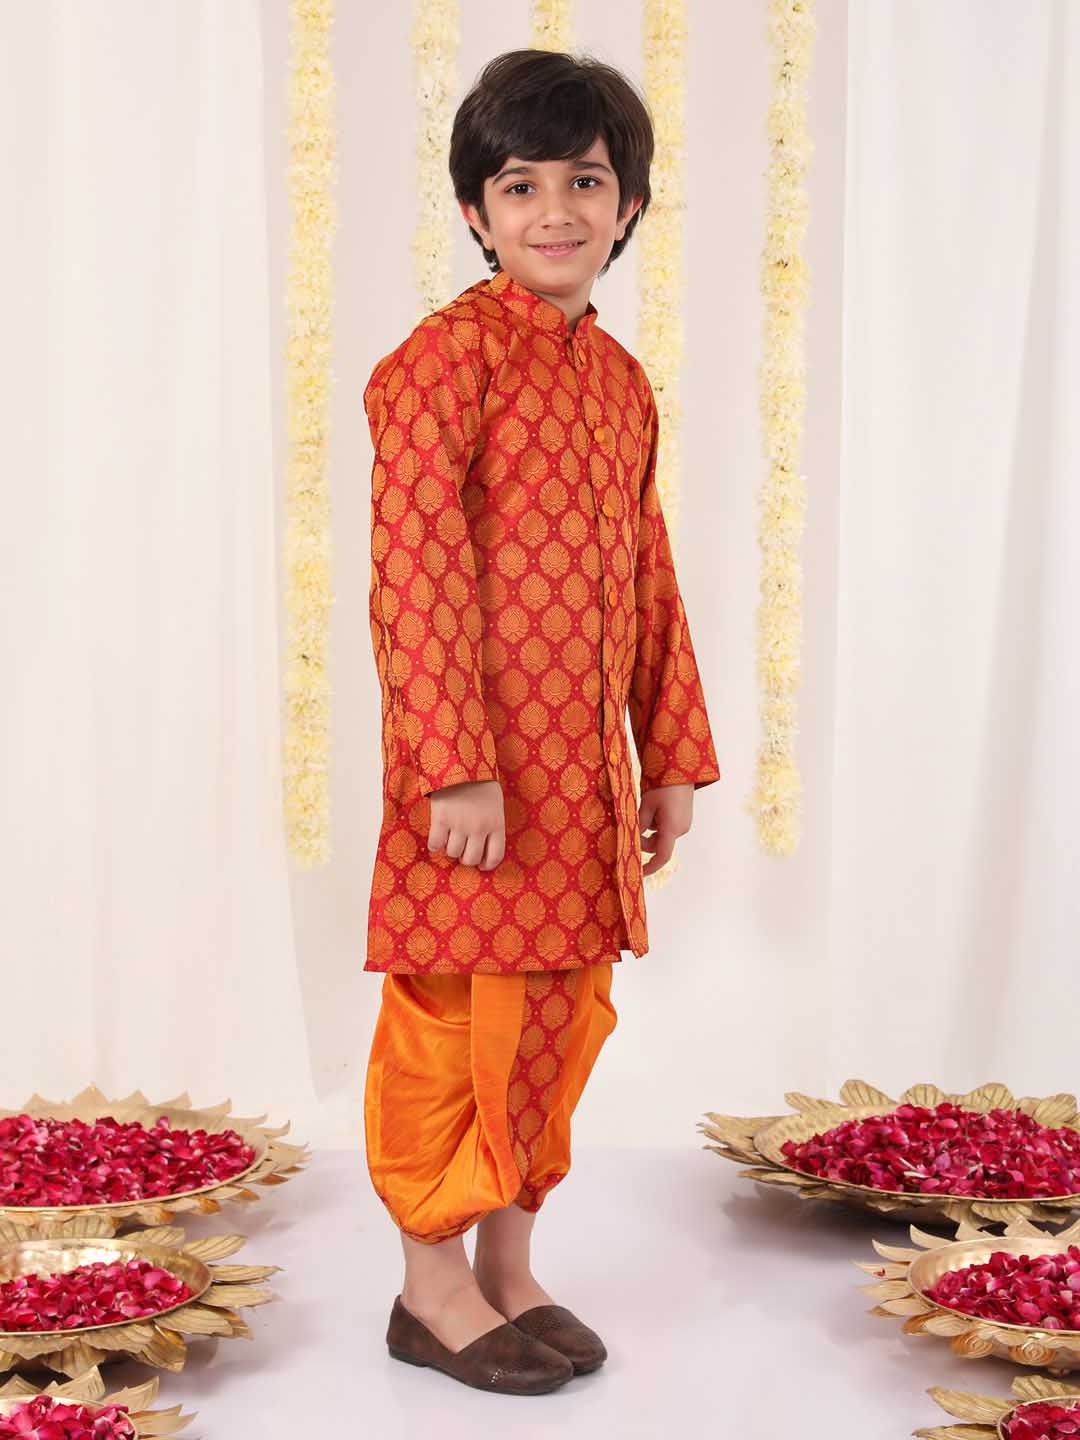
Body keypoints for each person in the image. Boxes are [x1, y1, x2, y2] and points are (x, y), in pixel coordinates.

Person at [361, 48, 721, 1396]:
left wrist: (668, 756)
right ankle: (430, 1288)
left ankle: (508, 1270)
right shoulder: (440, 364)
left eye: (586, 181)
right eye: (521, 185)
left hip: (583, 788)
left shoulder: (619, 381)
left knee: (558, 1021)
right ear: (475, 209)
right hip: (479, 784)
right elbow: (412, 570)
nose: (555, 210)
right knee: (456, 1025)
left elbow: (648, 573)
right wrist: (452, 766)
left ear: (629, 208)